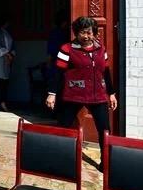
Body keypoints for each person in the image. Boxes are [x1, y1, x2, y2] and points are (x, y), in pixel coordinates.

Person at [46, 16, 117, 167]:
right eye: (82, 32)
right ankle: (58, 158)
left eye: (89, 33)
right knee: (64, 126)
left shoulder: (101, 49)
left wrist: (111, 93)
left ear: (95, 33)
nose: (86, 36)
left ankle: (106, 163)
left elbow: (106, 71)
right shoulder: (67, 49)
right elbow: (57, 72)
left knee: (105, 129)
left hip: (97, 95)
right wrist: (52, 94)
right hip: (73, 95)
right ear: (76, 33)